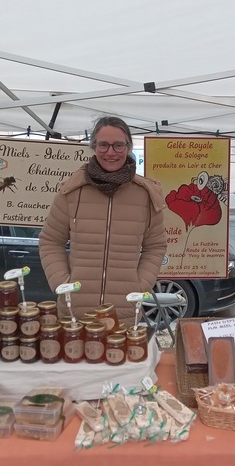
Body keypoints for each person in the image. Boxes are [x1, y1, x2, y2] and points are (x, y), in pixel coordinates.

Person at [39, 115, 167, 321]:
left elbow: (156, 246)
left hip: (124, 312)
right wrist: (61, 283)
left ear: (128, 147)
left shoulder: (146, 193)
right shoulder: (72, 191)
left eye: (118, 145)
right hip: (74, 311)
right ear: (93, 146)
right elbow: (50, 241)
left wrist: (140, 284)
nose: (111, 152)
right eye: (103, 145)